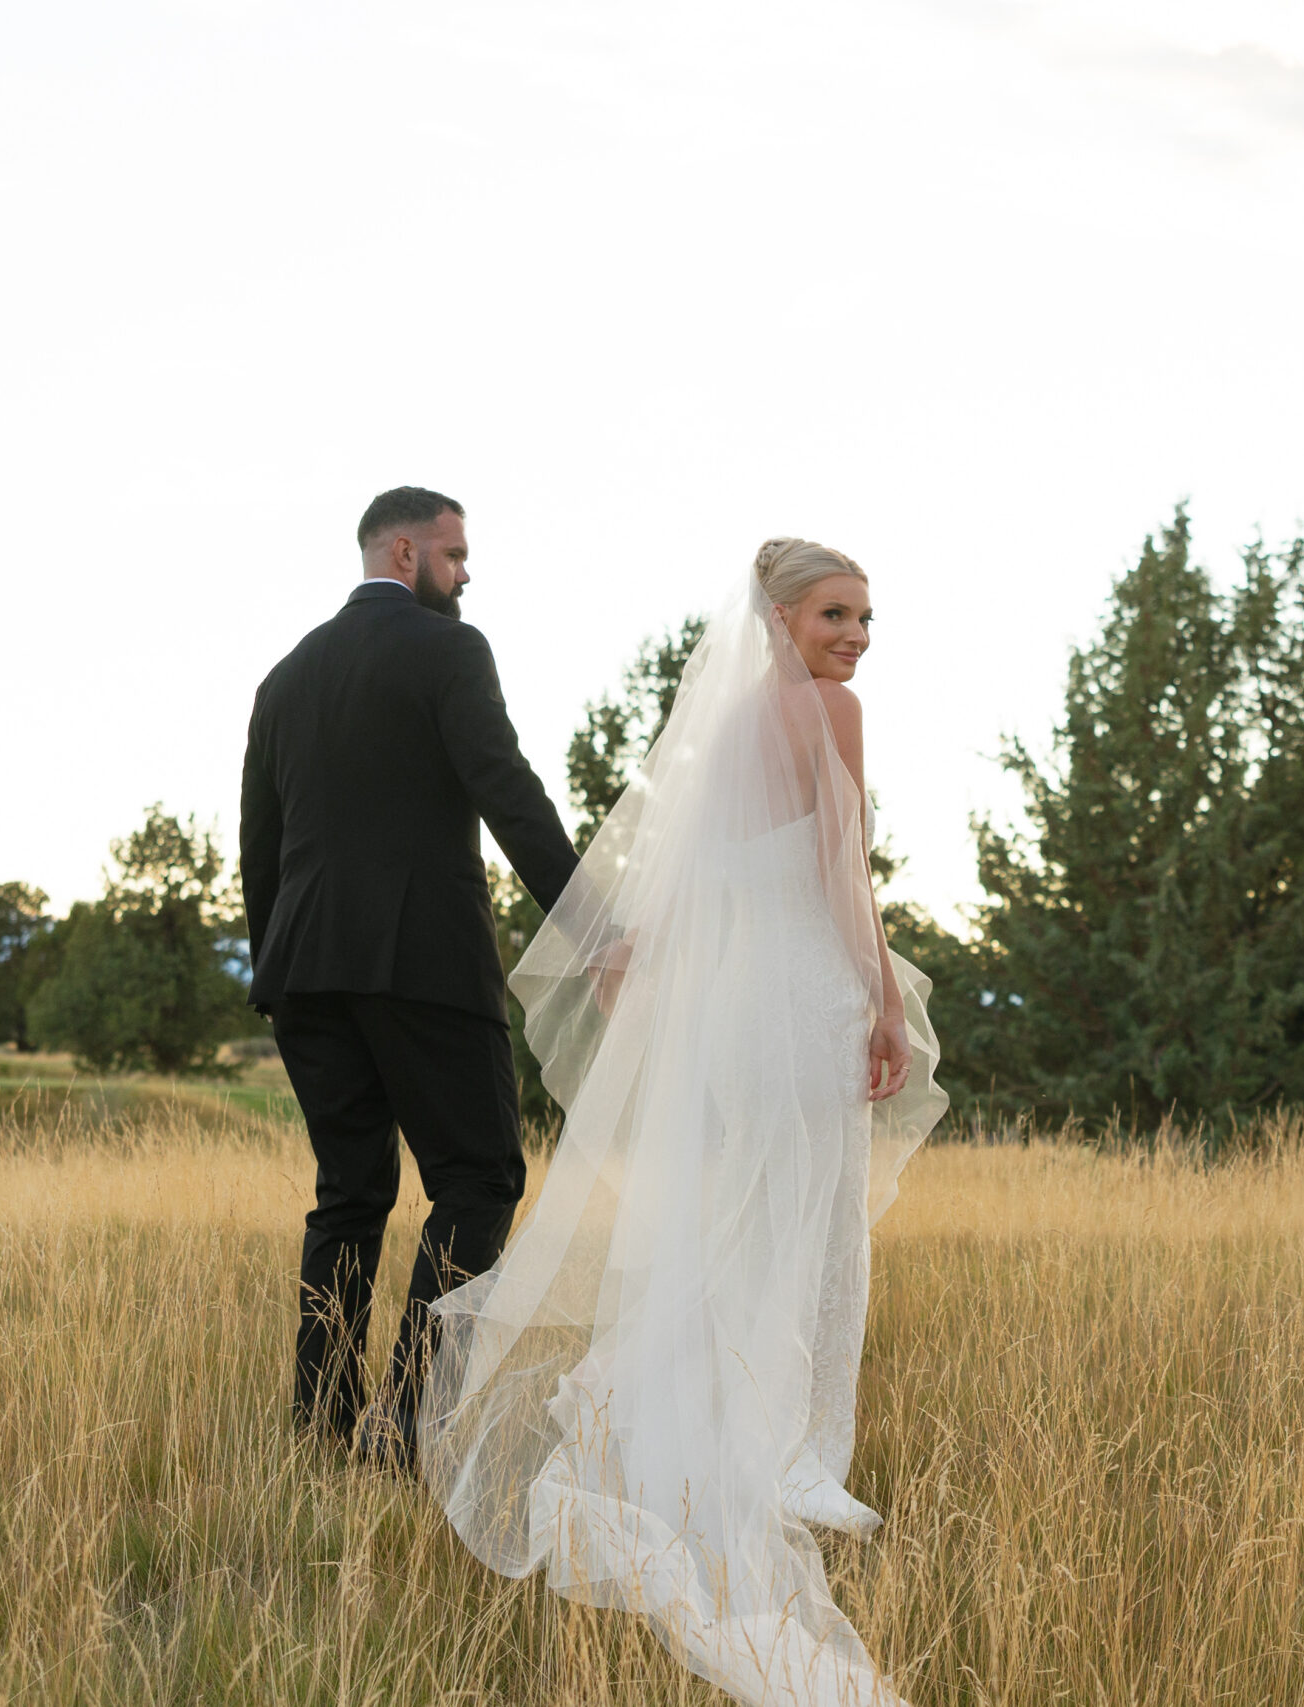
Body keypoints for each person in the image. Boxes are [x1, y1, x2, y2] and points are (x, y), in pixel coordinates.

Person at [419, 538, 949, 1706]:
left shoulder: (724, 738)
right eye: (833, 615)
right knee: (805, 1227)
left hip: (731, 1011)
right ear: (778, 619)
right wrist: (876, 1003)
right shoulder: (829, 716)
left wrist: (647, 957)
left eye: (866, 618)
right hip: (801, 996)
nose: (855, 637)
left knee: (738, 1224)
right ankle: (787, 1459)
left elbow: (689, 880)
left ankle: (688, 1437)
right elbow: (838, 872)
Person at [239, 486, 580, 1463]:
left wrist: (277, 971)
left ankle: (321, 1423)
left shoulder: (286, 676)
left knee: (348, 1195)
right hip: (422, 961)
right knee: (479, 1178)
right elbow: (507, 791)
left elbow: (258, 844)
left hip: (305, 972)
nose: (465, 573)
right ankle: (407, 1416)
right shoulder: (449, 652)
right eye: (453, 554)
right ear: (402, 552)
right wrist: (591, 923)